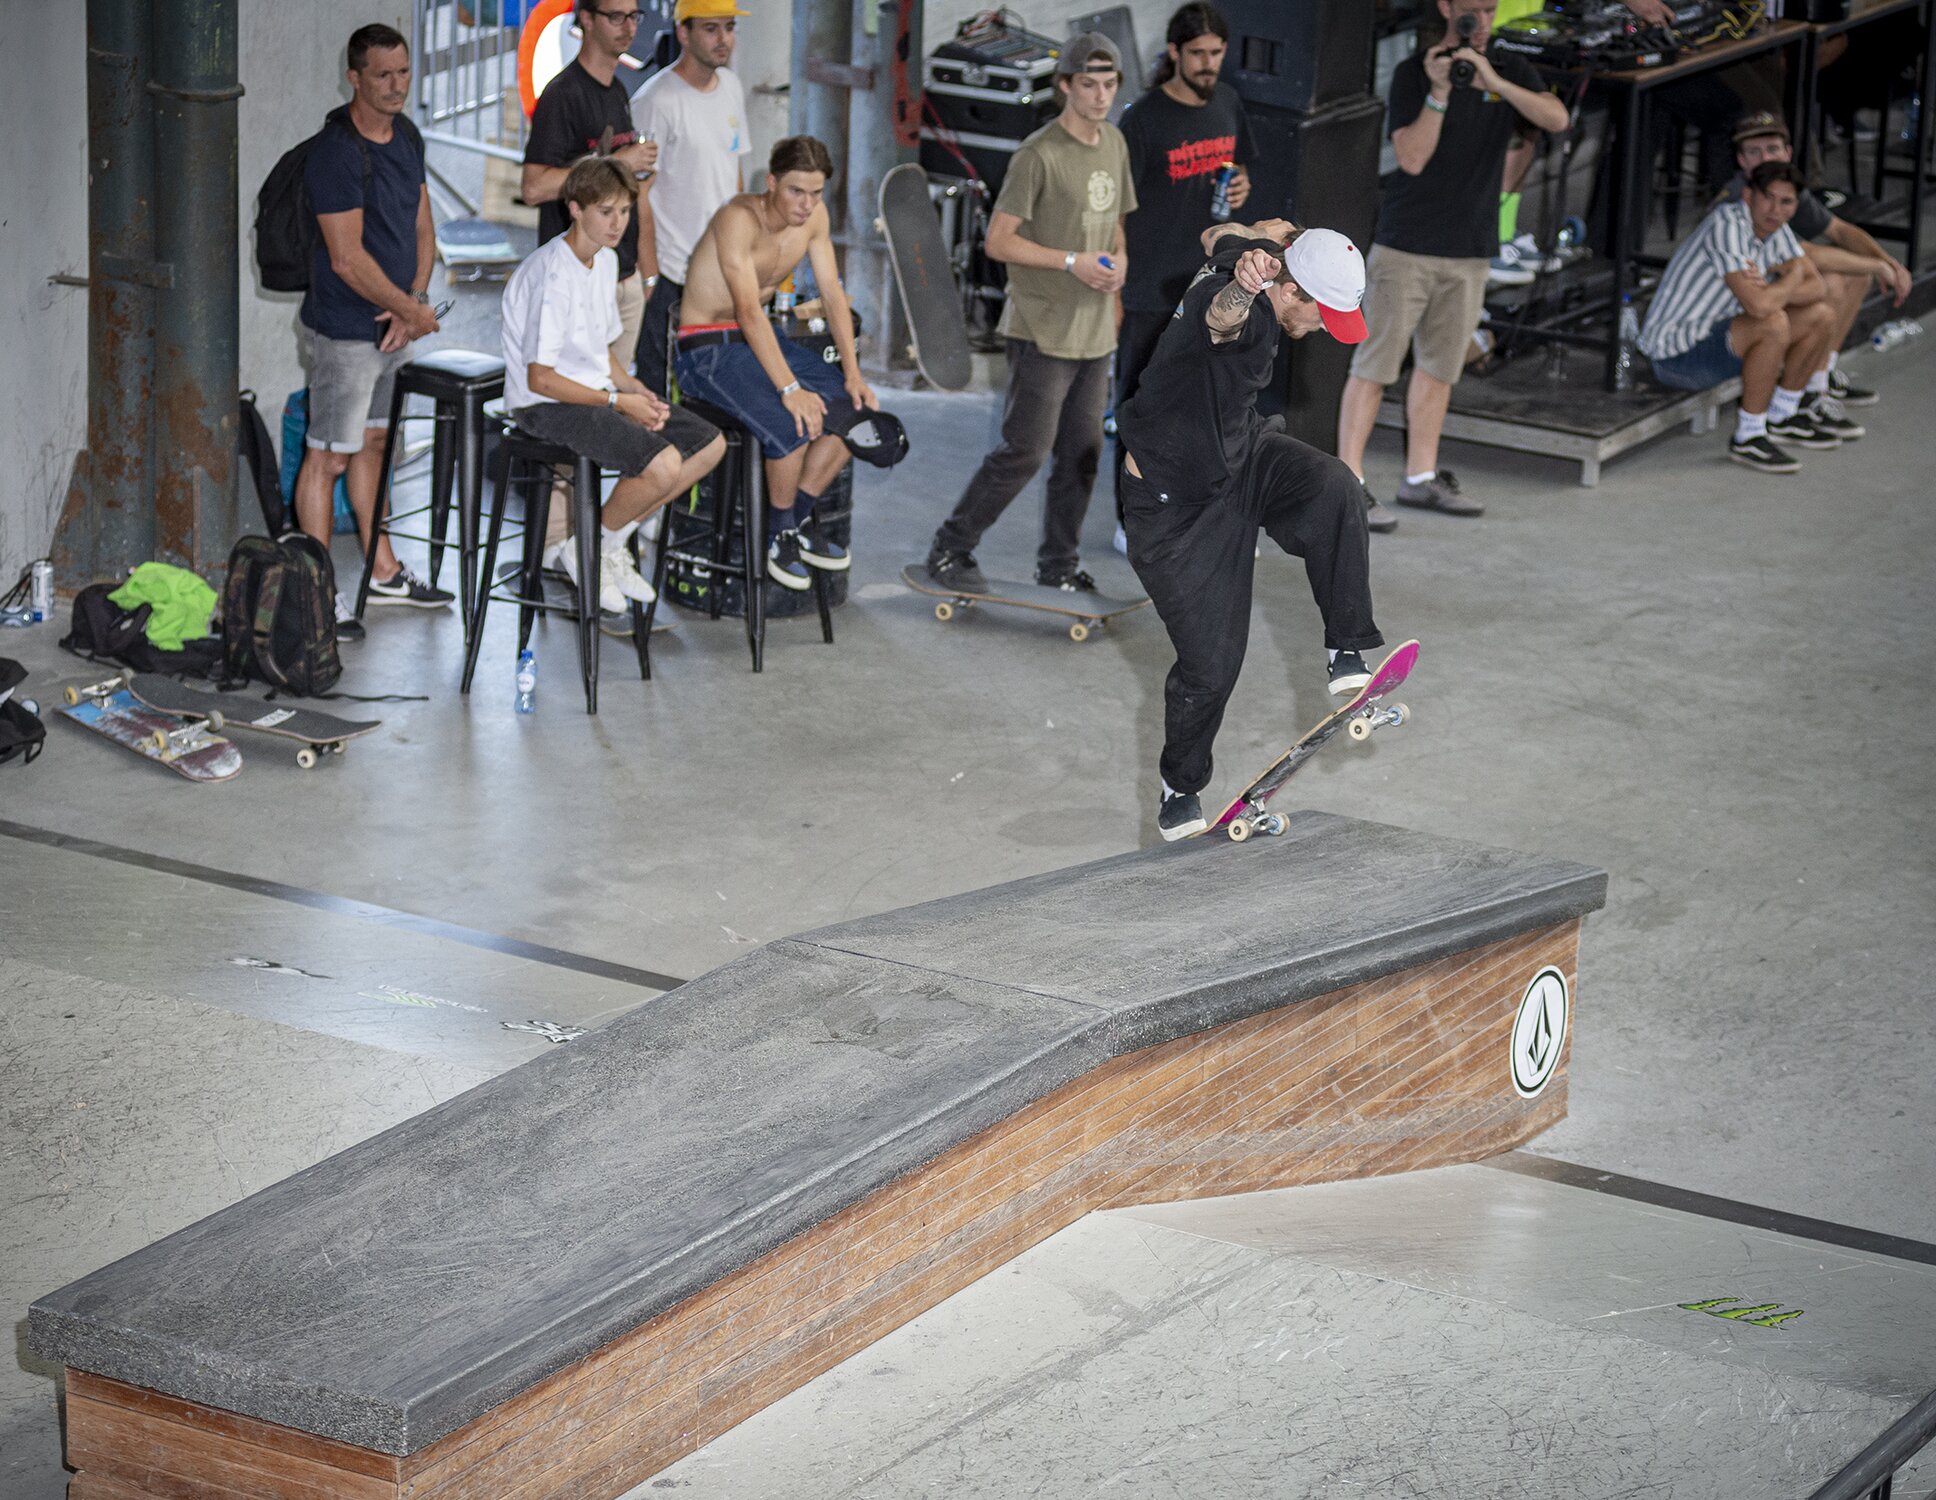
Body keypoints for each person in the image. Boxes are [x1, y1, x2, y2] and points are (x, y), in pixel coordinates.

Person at [1117, 221, 1385, 842]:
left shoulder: (1251, 255)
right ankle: (1180, 787)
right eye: (1322, 316)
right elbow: (1221, 319)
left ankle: (1345, 645)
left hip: (1241, 455)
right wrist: (1242, 289)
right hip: (1175, 509)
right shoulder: (1246, 314)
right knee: (1211, 666)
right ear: (1289, 292)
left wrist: (1254, 236)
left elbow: (1215, 234)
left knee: (1337, 486)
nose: (1325, 331)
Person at [1334, 0, 1566, 524]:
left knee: (1440, 368)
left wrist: (1494, 81)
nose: (1480, 21)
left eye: (1489, 10)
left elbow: (1556, 118)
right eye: (1471, 10)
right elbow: (1412, 158)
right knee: (1374, 368)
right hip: (1406, 247)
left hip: (1470, 250)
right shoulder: (1414, 73)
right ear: (1446, 7)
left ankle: (1421, 477)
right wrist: (1440, 93)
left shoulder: (1508, 68)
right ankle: (1349, 484)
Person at [926, 33, 1135, 595]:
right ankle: (950, 547)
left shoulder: (1115, 143)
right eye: (1088, 84)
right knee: (1025, 451)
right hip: (1042, 327)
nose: (1101, 96)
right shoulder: (1037, 155)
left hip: (1094, 329)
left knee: (1083, 455)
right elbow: (998, 241)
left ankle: (1058, 566)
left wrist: (1118, 270)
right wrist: (1071, 262)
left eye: (1109, 84)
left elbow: (1116, 222)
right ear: (1064, 86)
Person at [673, 136, 907, 590]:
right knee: (793, 422)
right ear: (772, 182)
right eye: (796, 191)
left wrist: (853, 375)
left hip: (760, 341)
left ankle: (789, 523)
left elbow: (833, 295)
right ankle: (778, 534)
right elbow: (747, 311)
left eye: (816, 193)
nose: (806, 204)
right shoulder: (737, 219)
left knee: (855, 416)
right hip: (707, 347)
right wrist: (790, 389)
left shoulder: (814, 218)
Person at [500, 157, 726, 614]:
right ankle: (590, 548)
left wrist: (635, 389)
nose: (618, 223)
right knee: (661, 464)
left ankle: (603, 544)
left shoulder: (604, 261)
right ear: (575, 209)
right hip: (542, 404)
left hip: (593, 394)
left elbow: (598, 349)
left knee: (709, 446)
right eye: (606, 211)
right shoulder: (552, 274)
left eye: (624, 211)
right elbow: (540, 378)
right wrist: (617, 401)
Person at [293, 23, 455, 643]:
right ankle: (316, 591)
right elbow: (345, 259)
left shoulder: (407, 135)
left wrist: (414, 302)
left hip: (393, 325)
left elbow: (422, 224)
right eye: (382, 75)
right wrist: (409, 311)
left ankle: (382, 570)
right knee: (328, 455)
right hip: (345, 331)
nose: (396, 86)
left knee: (375, 444)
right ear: (354, 78)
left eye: (403, 72)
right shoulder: (334, 152)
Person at [1115, 4, 1256, 510]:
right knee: (1141, 407)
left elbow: (1241, 169)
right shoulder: (1142, 120)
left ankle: (1187, 508)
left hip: (1212, 286)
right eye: (1197, 53)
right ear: (1175, 52)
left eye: (1216, 53)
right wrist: (1116, 290)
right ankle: (1129, 516)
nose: (1208, 64)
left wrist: (1242, 185)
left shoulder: (1229, 102)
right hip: (1150, 290)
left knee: (1205, 406)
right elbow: (1116, 212)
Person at [1636, 161, 1836, 475]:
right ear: (1748, 195)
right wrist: (1792, 277)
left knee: (1820, 315)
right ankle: (1749, 436)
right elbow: (1759, 306)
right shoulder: (1726, 224)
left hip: (1719, 336)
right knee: (1772, 323)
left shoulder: (1776, 229)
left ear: (1795, 206)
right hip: (1675, 355)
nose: (1775, 210)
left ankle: (1782, 415)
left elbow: (1818, 288)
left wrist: (1775, 288)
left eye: (1786, 202)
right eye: (1768, 197)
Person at [1726, 111, 1905, 425]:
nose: (1765, 158)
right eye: (1754, 152)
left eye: (1772, 149)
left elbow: (1839, 230)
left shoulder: (1784, 184)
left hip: (1772, 288)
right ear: (1741, 160)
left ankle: (1820, 378)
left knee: (1855, 275)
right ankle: (1806, 391)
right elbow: (1805, 254)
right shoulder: (1742, 196)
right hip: (1740, 304)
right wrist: (1879, 265)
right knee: (1829, 283)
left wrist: (1888, 262)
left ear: (1788, 153)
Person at [630, 0, 753, 394]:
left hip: (720, 270)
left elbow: (733, 170)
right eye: (711, 29)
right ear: (683, 32)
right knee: (660, 393)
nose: (724, 39)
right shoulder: (656, 100)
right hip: (671, 273)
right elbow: (638, 193)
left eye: (729, 27)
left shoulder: (731, 87)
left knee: (714, 390)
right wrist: (651, 275)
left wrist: (741, 250)